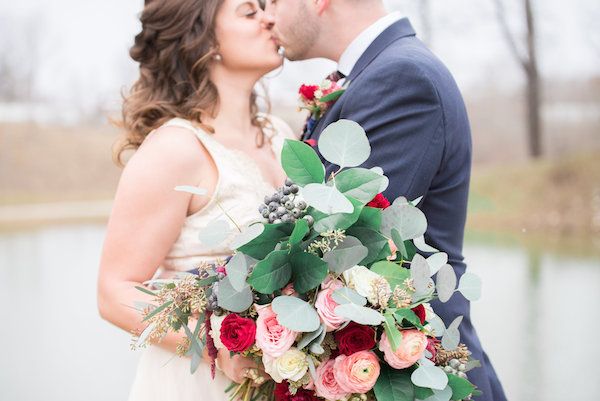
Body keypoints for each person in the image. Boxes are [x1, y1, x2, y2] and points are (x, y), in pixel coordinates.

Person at [261, 1, 508, 400]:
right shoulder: (378, 73)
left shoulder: (403, 78)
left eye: (273, 1)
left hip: (419, 375)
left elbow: (340, 245)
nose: (268, 15)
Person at [96, 1, 295, 400]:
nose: (270, 18)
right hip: (198, 383)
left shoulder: (280, 134)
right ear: (204, 36)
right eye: (249, 11)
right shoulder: (176, 148)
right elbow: (113, 292)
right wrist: (216, 348)